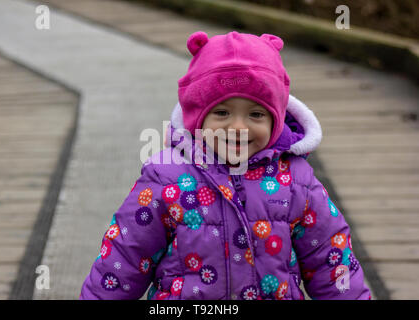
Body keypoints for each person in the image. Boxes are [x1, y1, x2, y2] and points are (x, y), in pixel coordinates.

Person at [79, 31, 371, 300]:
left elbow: (331, 261)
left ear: (276, 120)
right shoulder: (167, 178)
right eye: (221, 112)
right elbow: (125, 257)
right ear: (197, 118)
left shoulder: (296, 182)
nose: (238, 127)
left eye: (256, 114)